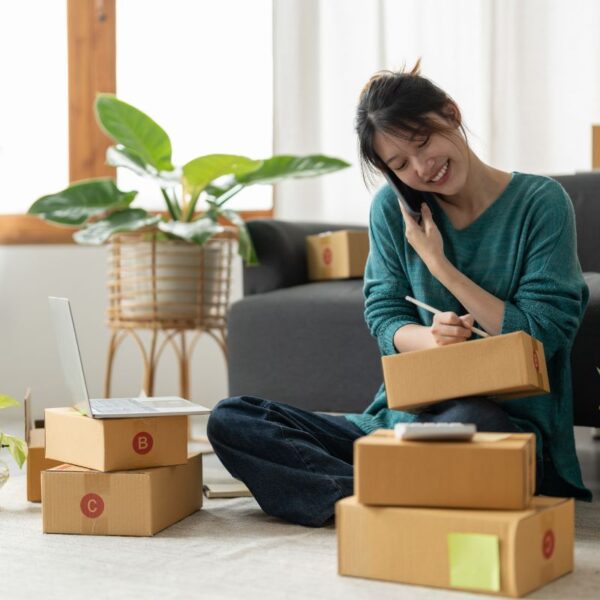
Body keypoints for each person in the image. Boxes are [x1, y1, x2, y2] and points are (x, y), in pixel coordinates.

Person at [207, 61, 591, 528]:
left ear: (450, 114)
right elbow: (384, 314)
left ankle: (361, 490)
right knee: (234, 418)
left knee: (472, 421)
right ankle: (386, 489)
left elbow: (542, 335)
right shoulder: (393, 209)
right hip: (399, 423)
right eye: (400, 164)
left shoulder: (540, 203)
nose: (421, 168)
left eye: (423, 142)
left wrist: (440, 266)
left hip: (505, 427)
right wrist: (431, 340)